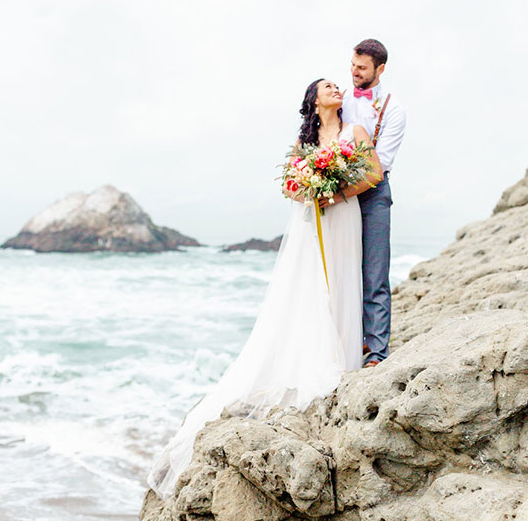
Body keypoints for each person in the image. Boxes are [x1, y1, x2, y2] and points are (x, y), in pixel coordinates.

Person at [147, 78, 382, 499]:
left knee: (344, 279)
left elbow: (373, 173)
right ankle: (316, 353)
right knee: (308, 287)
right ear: (313, 101)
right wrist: (310, 187)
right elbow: (291, 186)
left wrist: (336, 192)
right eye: (328, 85)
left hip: (343, 215)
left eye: (337, 84)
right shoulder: (303, 142)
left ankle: (344, 354)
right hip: (313, 220)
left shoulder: (355, 132)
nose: (336, 88)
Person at [341, 39, 406, 367]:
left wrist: (340, 193)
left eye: (362, 68)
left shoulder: (394, 109)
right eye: (353, 64)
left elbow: (379, 167)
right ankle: (348, 343)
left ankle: (377, 352)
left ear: (380, 69)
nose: (354, 72)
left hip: (373, 193)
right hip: (338, 190)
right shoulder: (340, 99)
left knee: (375, 272)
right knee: (342, 271)